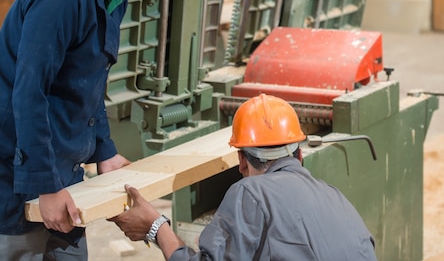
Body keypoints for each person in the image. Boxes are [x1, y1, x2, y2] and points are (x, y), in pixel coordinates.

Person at [0, 0, 192, 260]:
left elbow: (88, 84)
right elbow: (28, 93)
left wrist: (104, 150)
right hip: (20, 178)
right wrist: (46, 187)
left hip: (64, 174)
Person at [110, 93, 377, 260]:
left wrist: (156, 227)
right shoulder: (333, 194)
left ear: (241, 162)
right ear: (299, 155)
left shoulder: (250, 192)